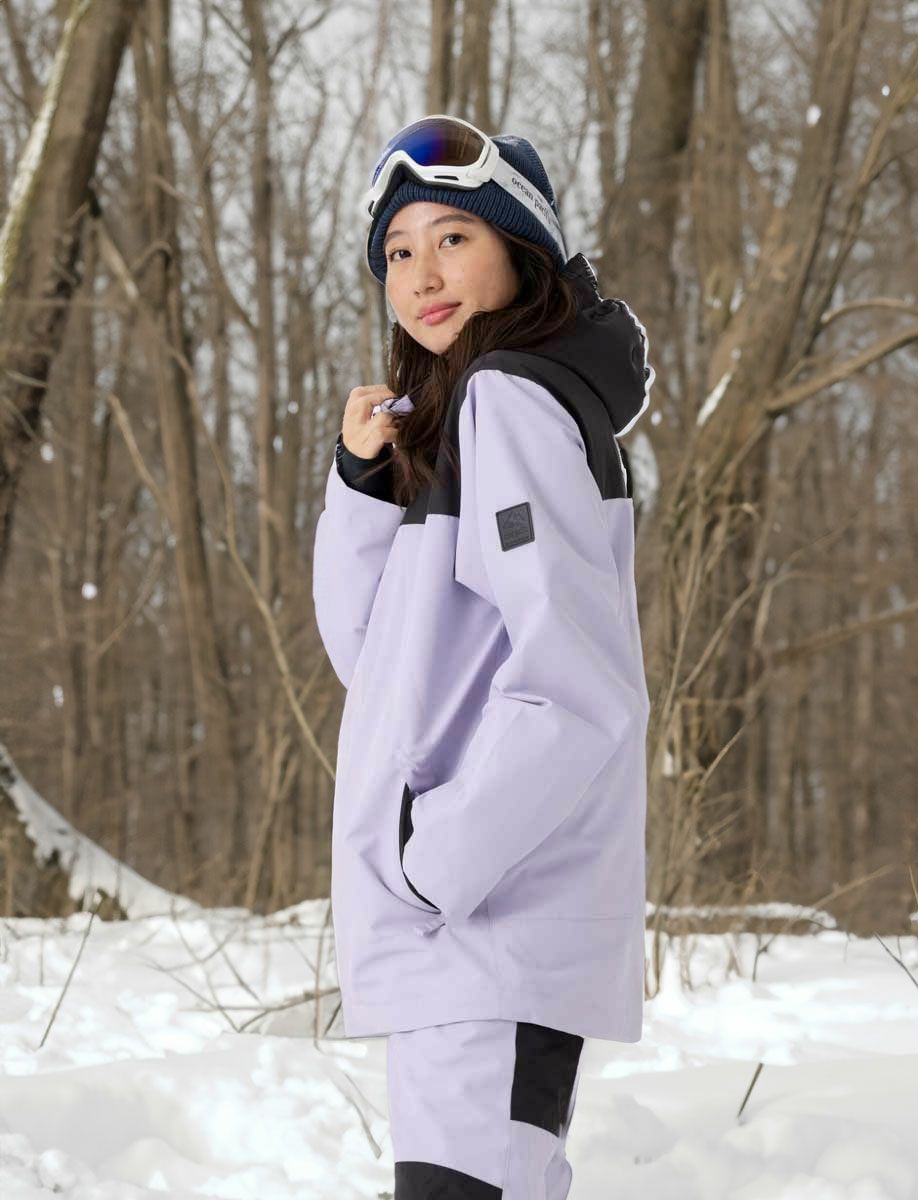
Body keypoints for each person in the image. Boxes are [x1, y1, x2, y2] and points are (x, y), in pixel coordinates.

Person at [312, 114, 654, 1200]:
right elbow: (375, 665)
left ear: (521, 249)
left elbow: (577, 686)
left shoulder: (510, 401)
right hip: (462, 942)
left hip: (486, 925)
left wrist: (434, 860)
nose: (421, 274)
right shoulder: (464, 415)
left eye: (453, 237)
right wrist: (365, 486)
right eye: (398, 251)